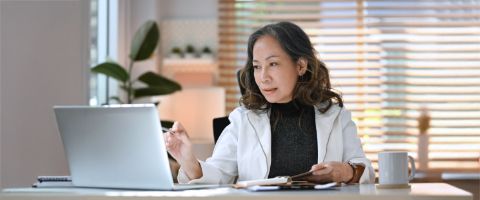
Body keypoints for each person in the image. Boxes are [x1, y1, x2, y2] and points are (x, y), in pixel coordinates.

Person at [165, 21, 375, 184]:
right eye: (257, 66)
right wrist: (188, 161)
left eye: (273, 64)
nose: (263, 77)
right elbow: (218, 174)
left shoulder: (335, 115)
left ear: (300, 65)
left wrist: (345, 171)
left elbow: (365, 170)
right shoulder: (244, 118)